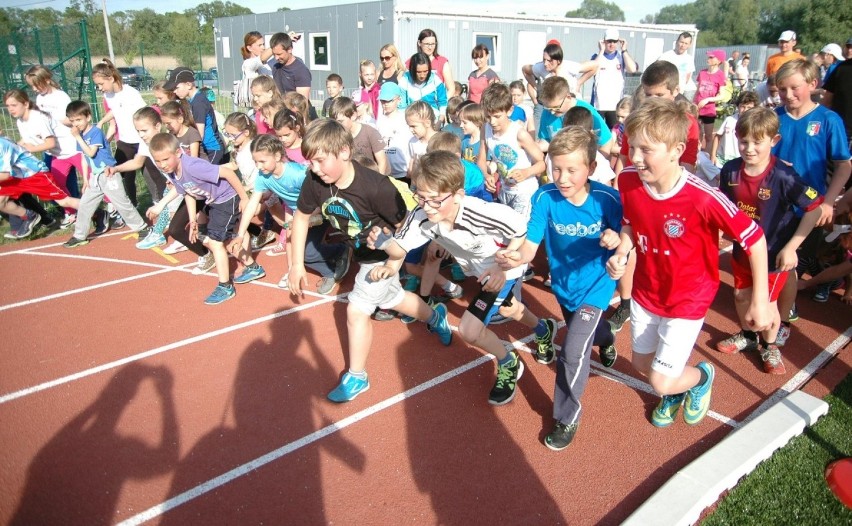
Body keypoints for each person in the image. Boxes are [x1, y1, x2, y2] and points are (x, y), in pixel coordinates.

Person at [606, 97, 770, 428]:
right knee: (640, 364)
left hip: (688, 299)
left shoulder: (703, 197)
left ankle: (699, 378)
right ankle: (676, 385)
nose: (634, 158)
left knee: (660, 381)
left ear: (677, 149)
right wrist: (622, 252)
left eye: (645, 150)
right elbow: (630, 223)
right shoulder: (627, 181)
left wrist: (761, 300)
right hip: (646, 292)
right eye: (630, 148)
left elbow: (755, 239)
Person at [372, 149, 554, 406]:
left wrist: (503, 267)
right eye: (420, 197)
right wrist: (388, 259)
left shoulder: (479, 212)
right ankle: (543, 329)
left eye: (435, 200)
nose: (427, 206)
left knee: (470, 330)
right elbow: (399, 249)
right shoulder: (423, 215)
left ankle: (508, 362)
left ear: (458, 195)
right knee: (509, 307)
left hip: (502, 268)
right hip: (480, 272)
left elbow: (520, 230)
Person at [287, 119, 452, 402]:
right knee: (393, 299)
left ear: (343, 152)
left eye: (320, 161)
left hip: (383, 254)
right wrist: (296, 264)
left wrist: (395, 259)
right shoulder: (315, 180)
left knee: (357, 310)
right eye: (310, 163)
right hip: (363, 256)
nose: (314, 169)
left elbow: (409, 224)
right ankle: (435, 316)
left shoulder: (376, 188)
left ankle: (358, 376)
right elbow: (301, 217)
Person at [497, 126, 621, 450]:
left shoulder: (607, 200)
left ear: (591, 169)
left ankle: (567, 417)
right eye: (556, 169)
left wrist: (616, 240)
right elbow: (529, 247)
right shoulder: (544, 197)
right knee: (595, 333)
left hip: (597, 286)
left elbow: (627, 240)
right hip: (564, 287)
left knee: (571, 351)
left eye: (572, 170)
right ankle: (607, 339)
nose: (562, 178)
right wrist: (515, 258)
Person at [716, 107, 823, 374]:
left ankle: (770, 345)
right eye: (743, 141)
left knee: (767, 304)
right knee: (741, 295)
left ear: (774, 141)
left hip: (774, 254)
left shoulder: (784, 176)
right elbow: (720, 208)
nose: (749, 148)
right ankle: (748, 336)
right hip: (742, 251)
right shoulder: (730, 171)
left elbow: (815, 208)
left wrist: (791, 247)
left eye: (757, 141)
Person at [771, 59, 852, 345]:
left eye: (795, 88)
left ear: (813, 85)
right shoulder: (774, 117)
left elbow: (844, 165)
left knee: (788, 262)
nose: (789, 95)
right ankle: (770, 315)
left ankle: (782, 317)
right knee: (773, 262)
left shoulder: (829, 121)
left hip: (809, 207)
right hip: (774, 204)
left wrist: (829, 201)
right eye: (782, 89)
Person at [232, 133, 351, 292]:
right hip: (300, 216)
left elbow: (321, 195)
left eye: (262, 161)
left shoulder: (297, 174)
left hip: (320, 211)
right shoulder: (262, 176)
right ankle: (330, 270)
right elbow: (252, 204)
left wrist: (308, 218)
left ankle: (341, 250)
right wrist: (240, 235)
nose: (259, 167)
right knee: (299, 253)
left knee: (304, 254)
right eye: (255, 162)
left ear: (277, 156)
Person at [147, 132, 255, 305]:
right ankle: (252, 266)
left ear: (178, 153)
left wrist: (243, 197)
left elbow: (227, 172)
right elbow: (189, 193)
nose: (162, 165)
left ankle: (225, 286)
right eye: (157, 161)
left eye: (165, 159)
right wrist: (193, 220)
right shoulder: (173, 172)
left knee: (215, 242)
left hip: (226, 198)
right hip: (213, 200)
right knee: (227, 237)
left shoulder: (193, 166)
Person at [117, 108, 213, 274]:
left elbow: (185, 177)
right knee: (176, 228)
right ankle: (206, 254)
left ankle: (253, 232)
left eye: (144, 130)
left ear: (158, 126)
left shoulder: (169, 145)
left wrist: (160, 205)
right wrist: (115, 168)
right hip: (188, 190)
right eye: (137, 131)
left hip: (201, 186)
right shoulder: (146, 146)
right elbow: (137, 162)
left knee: (222, 214)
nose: (141, 135)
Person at [0, 133, 81, 238]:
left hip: (35, 174)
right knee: (1, 202)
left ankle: (97, 212)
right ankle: (29, 216)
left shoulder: (2, 145)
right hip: (18, 177)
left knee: (64, 201)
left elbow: (4, 175)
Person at [92, 59, 146, 209]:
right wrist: (102, 123)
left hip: (141, 140)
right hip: (124, 141)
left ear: (110, 78)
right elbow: (115, 111)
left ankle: (161, 204)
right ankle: (130, 206)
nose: (100, 88)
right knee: (122, 176)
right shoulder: (108, 96)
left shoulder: (131, 93)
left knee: (151, 176)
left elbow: (145, 114)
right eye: (97, 85)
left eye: (101, 84)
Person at [24, 65, 81, 204]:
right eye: (32, 86)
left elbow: (71, 119)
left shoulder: (61, 97)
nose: (34, 89)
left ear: (47, 80)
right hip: (51, 148)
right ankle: (68, 208)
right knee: (54, 178)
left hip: (67, 146)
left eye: (36, 85)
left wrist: (57, 120)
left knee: (69, 180)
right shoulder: (39, 99)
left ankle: (77, 207)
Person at [523, 40, 595, 134]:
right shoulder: (541, 67)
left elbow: (595, 66)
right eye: (544, 59)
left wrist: (579, 82)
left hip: (572, 107)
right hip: (554, 109)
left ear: (559, 61)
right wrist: (537, 87)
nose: (545, 63)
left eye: (550, 61)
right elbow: (525, 70)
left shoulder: (569, 66)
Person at [535, 76, 613, 155]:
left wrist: (599, 162)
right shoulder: (547, 112)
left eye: (556, 107)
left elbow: (606, 142)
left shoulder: (586, 111)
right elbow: (547, 140)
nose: (552, 112)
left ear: (568, 97)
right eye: (548, 108)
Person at [164, 67, 227, 164]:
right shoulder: (194, 100)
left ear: (189, 85)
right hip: (207, 148)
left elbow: (199, 133)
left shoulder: (198, 103)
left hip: (212, 148)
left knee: (209, 176)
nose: (174, 91)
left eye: (176, 88)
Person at [585, 28, 637, 129]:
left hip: (615, 105)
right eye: (609, 41)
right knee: (596, 133)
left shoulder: (621, 57)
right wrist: (601, 51)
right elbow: (593, 69)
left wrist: (624, 50)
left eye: (614, 41)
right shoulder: (597, 56)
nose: (611, 44)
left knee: (615, 133)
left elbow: (632, 69)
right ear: (604, 41)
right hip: (598, 104)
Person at [329, 97, 389, 175]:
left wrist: (377, 183)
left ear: (353, 115)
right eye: (334, 122)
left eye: (341, 121)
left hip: (375, 177)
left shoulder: (370, 132)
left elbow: (382, 162)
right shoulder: (338, 136)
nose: (337, 125)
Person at [376, 82, 413, 180]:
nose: (386, 104)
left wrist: (410, 167)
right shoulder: (379, 121)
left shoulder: (405, 120)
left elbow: (411, 145)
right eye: (383, 101)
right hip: (387, 173)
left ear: (399, 100)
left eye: (390, 101)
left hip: (403, 172)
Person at [711, 91, 758, 167]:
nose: (745, 110)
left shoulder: (754, 124)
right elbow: (717, 137)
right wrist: (713, 155)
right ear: (738, 106)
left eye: (749, 107)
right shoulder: (729, 120)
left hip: (739, 161)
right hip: (721, 159)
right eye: (742, 106)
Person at [398, 53, 448, 122]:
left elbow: (443, 102)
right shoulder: (404, 80)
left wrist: (440, 121)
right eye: (418, 72)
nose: (422, 75)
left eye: (425, 71)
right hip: (412, 120)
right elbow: (401, 107)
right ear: (412, 70)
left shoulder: (436, 79)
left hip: (433, 120)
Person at [695, 50, 728, 151]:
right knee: (696, 134)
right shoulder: (702, 73)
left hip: (709, 110)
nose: (708, 59)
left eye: (711, 57)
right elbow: (697, 90)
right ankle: (696, 154)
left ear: (718, 61)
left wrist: (708, 100)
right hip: (697, 108)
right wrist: (694, 104)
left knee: (708, 136)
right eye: (708, 57)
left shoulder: (720, 75)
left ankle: (707, 156)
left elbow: (722, 95)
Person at [822, 38, 852, 148]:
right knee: (837, 162)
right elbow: (827, 99)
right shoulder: (841, 68)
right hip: (840, 127)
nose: (849, 50)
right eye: (848, 46)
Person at [411, 29, 456, 98]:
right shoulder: (411, 61)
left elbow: (451, 89)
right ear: (419, 43)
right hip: (416, 105)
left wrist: (442, 103)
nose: (430, 47)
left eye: (433, 44)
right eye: (427, 44)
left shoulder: (442, 62)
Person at [234, 31, 273, 108]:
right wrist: (279, 42)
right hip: (256, 109)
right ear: (249, 48)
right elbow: (262, 57)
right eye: (259, 45)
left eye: (263, 44)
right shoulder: (248, 64)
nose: (263, 47)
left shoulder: (266, 65)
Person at [268, 32, 311, 100]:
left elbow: (302, 103)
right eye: (274, 54)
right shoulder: (276, 67)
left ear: (289, 49)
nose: (276, 58)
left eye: (279, 54)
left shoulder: (301, 71)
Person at [658, 32, 697, 101]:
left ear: (689, 45)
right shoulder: (665, 56)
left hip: (680, 92)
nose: (683, 45)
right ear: (677, 42)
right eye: (681, 42)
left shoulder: (689, 59)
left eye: (686, 43)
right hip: (667, 91)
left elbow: (687, 77)